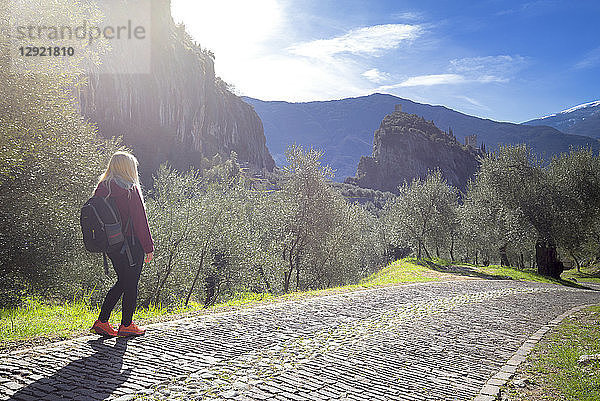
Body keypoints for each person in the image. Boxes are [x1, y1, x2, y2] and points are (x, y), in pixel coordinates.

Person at [90, 151, 154, 337]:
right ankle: (126, 325)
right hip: (132, 245)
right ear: (128, 168)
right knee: (131, 283)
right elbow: (140, 221)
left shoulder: (102, 188)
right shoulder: (129, 189)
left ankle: (102, 322)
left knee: (123, 281)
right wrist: (148, 247)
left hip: (112, 244)